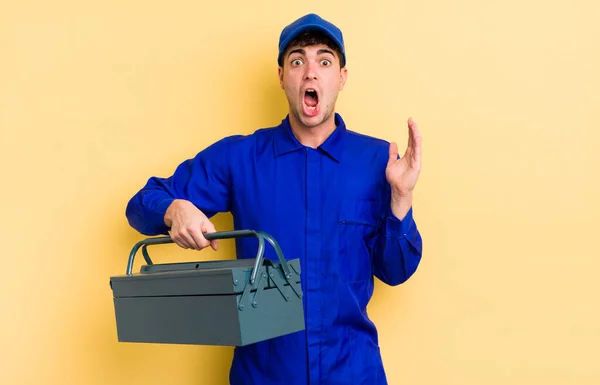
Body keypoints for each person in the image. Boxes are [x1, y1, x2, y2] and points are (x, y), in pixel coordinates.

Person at [126, 13, 423, 385]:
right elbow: (141, 203)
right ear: (282, 76)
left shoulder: (379, 161)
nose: (310, 72)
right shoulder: (240, 157)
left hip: (354, 373)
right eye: (297, 60)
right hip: (263, 376)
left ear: (342, 77)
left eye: (324, 61)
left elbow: (395, 271)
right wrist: (174, 209)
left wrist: (401, 197)